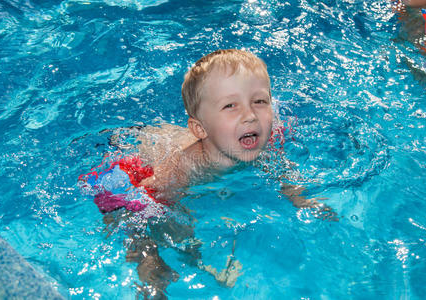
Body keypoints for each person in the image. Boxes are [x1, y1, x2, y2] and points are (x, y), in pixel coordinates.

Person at [80, 49, 332, 298]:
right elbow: (148, 207)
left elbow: (281, 168)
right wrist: (176, 248)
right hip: (139, 165)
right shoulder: (186, 167)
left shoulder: (262, 140)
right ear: (200, 128)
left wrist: (299, 197)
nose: (250, 115)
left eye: (259, 101)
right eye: (230, 105)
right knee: (126, 211)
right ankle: (149, 266)